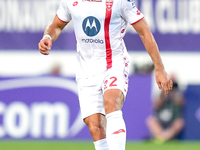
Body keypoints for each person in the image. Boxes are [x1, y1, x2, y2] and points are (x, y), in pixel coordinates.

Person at [38, 0, 173, 149]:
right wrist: (48, 37)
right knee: (95, 126)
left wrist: (159, 68)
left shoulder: (121, 2)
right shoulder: (70, 2)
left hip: (114, 63)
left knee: (112, 102)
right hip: (86, 70)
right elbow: (56, 26)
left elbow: (144, 31)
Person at [146, 76, 184, 144]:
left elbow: (182, 103)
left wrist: (175, 96)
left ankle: (162, 138)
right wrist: (163, 94)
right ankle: (161, 137)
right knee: (150, 120)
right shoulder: (162, 93)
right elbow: (156, 105)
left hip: (172, 119)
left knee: (179, 123)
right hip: (161, 119)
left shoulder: (178, 94)